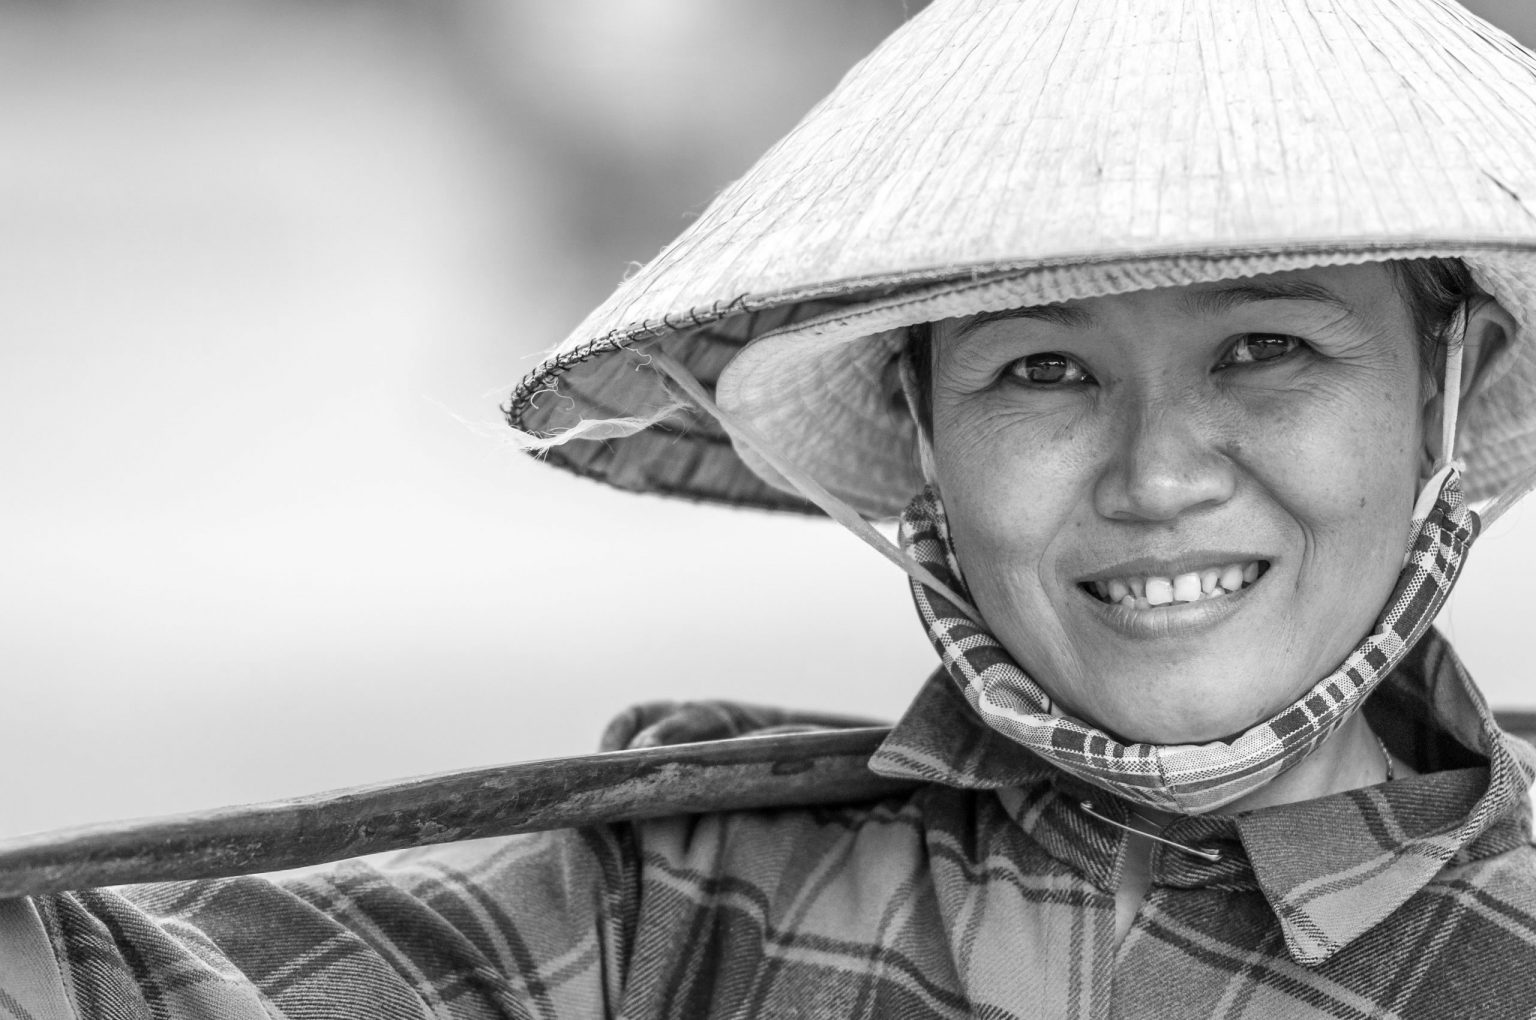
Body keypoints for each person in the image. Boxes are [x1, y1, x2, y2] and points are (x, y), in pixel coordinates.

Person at [7, 0, 1536, 1016]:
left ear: (1447, 387)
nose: (1157, 476)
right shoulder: (671, 908)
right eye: (1044, 371)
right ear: (920, 435)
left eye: (1266, 351)